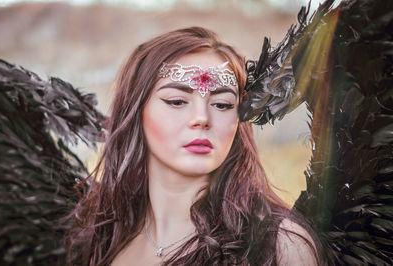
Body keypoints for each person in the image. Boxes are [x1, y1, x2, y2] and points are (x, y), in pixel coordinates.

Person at [66, 26, 322, 265]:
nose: (202, 118)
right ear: (135, 112)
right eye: (177, 101)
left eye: (222, 105)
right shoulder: (97, 237)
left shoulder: (280, 245)